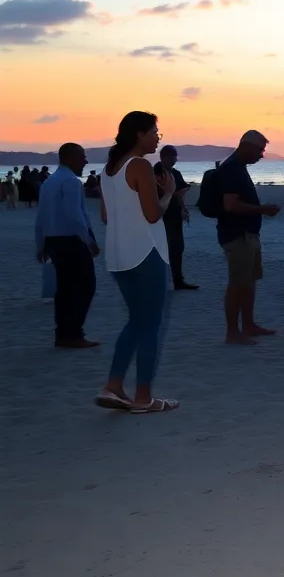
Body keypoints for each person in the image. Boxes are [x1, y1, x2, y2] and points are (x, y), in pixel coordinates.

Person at [97, 111, 179, 413]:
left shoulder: (109, 170)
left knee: (136, 321)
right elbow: (153, 214)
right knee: (150, 326)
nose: (159, 136)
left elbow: (106, 216)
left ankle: (113, 385)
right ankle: (144, 397)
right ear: (139, 133)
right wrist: (168, 194)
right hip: (147, 253)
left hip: (118, 256)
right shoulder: (140, 166)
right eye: (155, 131)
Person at [216, 130, 280, 345]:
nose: (262, 155)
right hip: (237, 235)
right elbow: (231, 205)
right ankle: (233, 332)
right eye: (260, 150)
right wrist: (262, 209)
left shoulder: (238, 168)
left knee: (249, 282)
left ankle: (249, 324)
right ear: (247, 146)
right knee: (237, 284)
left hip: (248, 234)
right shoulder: (232, 169)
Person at [34, 142, 100, 349]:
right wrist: (90, 241)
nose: (85, 161)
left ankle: (63, 333)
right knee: (84, 286)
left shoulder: (49, 182)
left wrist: (41, 244)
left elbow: (41, 216)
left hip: (54, 241)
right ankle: (73, 333)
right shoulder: (71, 181)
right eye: (82, 157)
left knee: (64, 288)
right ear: (70, 158)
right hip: (71, 241)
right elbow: (76, 216)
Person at [153, 145, 197, 290]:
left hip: (175, 214)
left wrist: (184, 209)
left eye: (175, 157)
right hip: (160, 215)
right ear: (163, 157)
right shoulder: (155, 172)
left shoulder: (176, 173)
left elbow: (180, 192)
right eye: (171, 157)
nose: (173, 160)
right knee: (162, 248)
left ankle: (178, 280)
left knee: (178, 247)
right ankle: (159, 280)